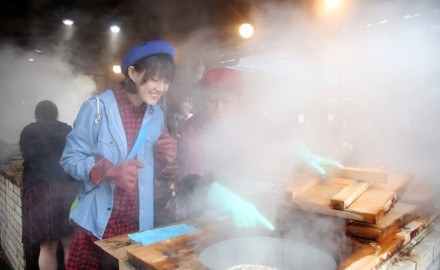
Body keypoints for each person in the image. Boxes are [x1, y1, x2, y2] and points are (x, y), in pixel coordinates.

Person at [176, 67, 343, 229]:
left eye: (227, 101)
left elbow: (279, 133)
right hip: (206, 208)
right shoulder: (193, 129)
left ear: (238, 99)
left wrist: (306, 155)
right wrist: (230, 202)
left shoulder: (249, 118)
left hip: (246, 200)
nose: (219, 107)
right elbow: (190, 181)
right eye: (211, 100)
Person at [60, 40, 177, 270]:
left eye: (166, 81)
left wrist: (164, 155)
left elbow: (148, 164)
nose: (161, 87)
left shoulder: (157, 115)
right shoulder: (97, 108)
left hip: (138, 222)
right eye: (154, 78)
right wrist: (111, 171)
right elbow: (69, 159)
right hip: (99, 223)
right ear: (132, 73)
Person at [19, 100, 81, 270]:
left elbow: (26, 155)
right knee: (69, 242)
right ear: (57, 113)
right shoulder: (67, 129)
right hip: (68, 188)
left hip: (39, 189)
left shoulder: (28, 131)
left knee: (47, 246)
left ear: (36, 115)